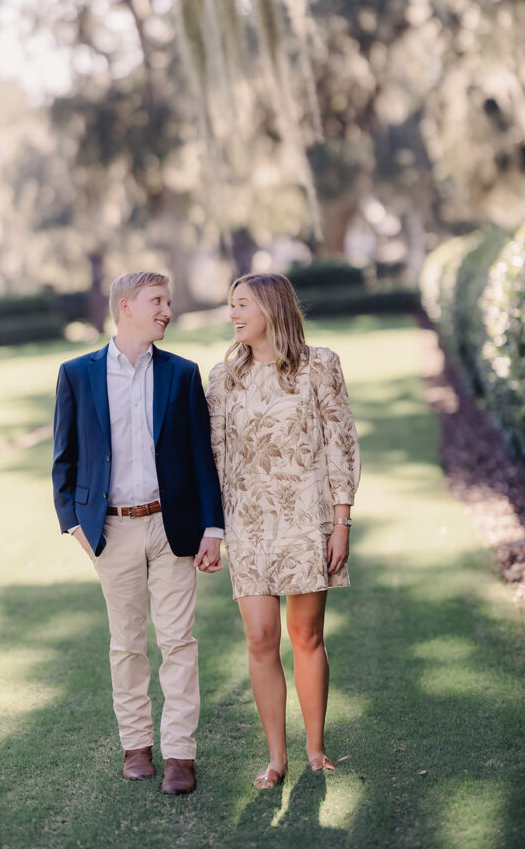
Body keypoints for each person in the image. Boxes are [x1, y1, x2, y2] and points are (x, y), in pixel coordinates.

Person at [52, 270, 224, 796]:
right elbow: (64, 462)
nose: (166, 310)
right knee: (126, 645)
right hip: (111, 531)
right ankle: (136, 747)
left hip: (174, 528)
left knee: (178, 643)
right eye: (157, 301)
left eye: (168, 301)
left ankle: (179, 755)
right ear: (125, 306)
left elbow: (202, 458)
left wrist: (213, 526)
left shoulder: (181, 373)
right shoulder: (77, 374)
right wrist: (76, 526)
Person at [206, 272, 360, 789]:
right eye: (231, 305)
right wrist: (214, 529)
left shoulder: (321, 367)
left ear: (271, 308)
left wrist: (341, 523)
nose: (233, 314)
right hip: (248, 524)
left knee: (305, 635)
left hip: (307, 519)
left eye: (241, 304)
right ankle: (277, 758)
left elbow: (341, 445)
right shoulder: (224, 380)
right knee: (260, 637)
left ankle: (315, 750)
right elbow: (215, 459)